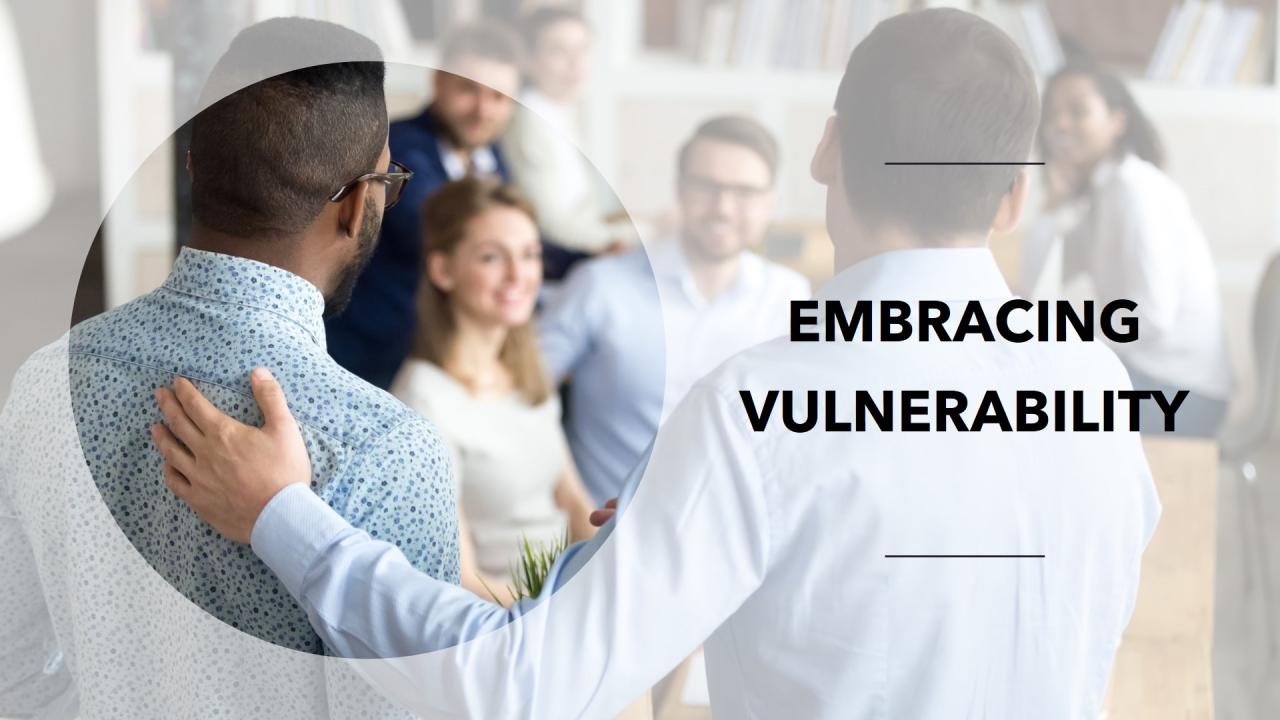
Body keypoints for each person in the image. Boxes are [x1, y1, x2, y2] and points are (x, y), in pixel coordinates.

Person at [152, 10, 1161, 720]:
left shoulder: (759, 412)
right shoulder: (1096, 396)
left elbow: (519, 687)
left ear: (824, 150)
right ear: (1013, 200)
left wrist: (281, 515)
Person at [0, 19, 457, 719]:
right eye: (391, 180)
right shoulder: (387, 452)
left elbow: (16, 676)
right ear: (360, 202)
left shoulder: (42, 382)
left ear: (193, 167)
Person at [540, 115, 811, 505]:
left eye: (745, 192)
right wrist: (574, 507)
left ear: (771, 203)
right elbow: (520, 400)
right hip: (607, 532)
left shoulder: (790, 296)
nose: (723, 207)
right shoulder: (601, 285)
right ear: (680, 189)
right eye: (708, 186)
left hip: (737, 534)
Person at [390, 178, 596, 606]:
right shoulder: (424, 400)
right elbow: (462, 579)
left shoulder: (527, 369)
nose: (518, 275)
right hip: (508, 620)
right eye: (491, 257)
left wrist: (615, 575)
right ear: (443, 270)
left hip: (566, 589)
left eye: (529, 255)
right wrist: (566, 612)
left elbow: (573, 501)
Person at [1022, 61, 1234, 436]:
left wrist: (1071, 334)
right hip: (1150, 377)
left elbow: (1151, 316)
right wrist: (1053, 201)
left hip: (1183, 393)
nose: (1061, 125)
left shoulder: (1135, 190)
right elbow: (1036, 283)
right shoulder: (1102, 198)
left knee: (1031, 397)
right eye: (1053, 114)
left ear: (1118, 121)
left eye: (1078, 110)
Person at [326, 24, 522, 390]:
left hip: (437, 353)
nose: (483, 110)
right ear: (438, 83)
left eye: (498, 97)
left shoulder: (490, 155)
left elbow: (503, 233)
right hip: (372, 357)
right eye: (468, 89)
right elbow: (442, 232)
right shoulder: (397, 147)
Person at [503, 6, 627, 271]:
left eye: (583, 49)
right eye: (559, 51)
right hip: (560, 266)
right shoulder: (529, 124)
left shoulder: (561, 111)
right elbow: (551, 226)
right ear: (528, 59)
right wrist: (640, 237)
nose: (576, 62)